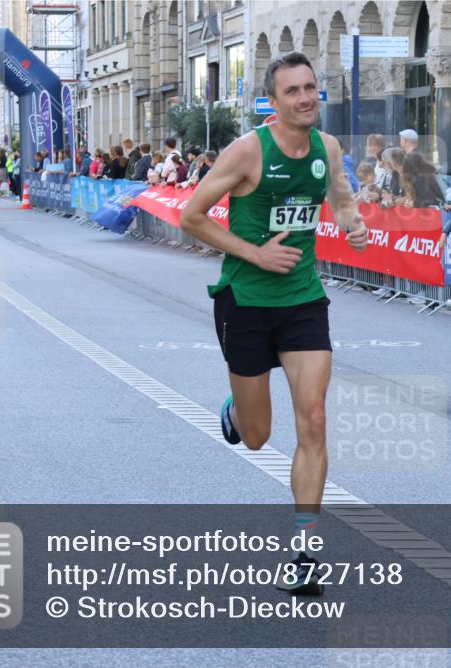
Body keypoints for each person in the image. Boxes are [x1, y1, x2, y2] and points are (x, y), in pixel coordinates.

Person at [180, 51, 368, 596]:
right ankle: (236, 412)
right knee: (258, 437)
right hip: (246, 300)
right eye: (293, 91)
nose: (305, 98)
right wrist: (255, 253)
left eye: (310, 87)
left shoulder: (327, 147)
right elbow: (192, 216)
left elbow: (341, 197)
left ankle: (304, 553)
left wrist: (352, 223)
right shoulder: (247, 152)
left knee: (314, 419)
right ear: (273, 101)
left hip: (303, 297)